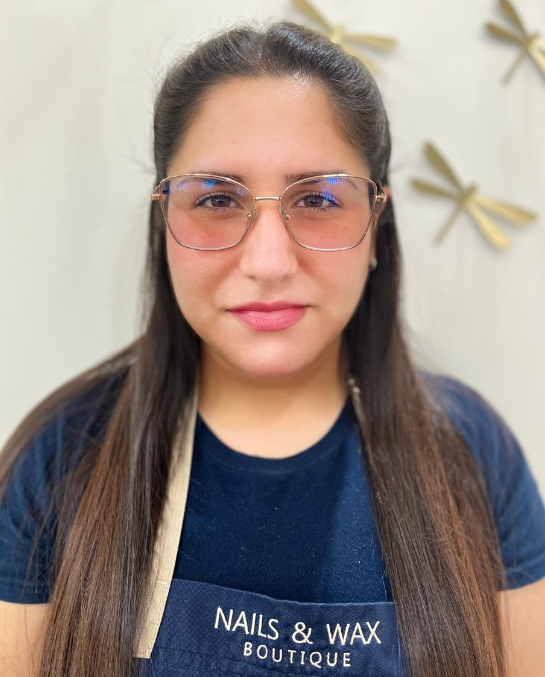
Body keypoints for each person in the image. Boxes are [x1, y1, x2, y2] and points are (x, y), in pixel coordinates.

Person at [1, 19, 544, 677]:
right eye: (215, 198)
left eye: (317, 198)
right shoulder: (61, 459)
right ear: (163, 217)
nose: (267, 262)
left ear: (376, 220)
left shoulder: (473, 454)